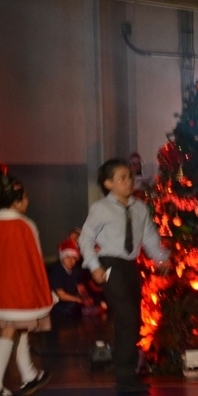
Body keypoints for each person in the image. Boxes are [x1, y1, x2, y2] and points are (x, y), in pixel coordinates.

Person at [78, 158, 170, 394]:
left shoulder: (139, 208)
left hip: (130, 266)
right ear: (108, 184)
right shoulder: (101, 209)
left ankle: (127, 370)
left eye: (129, 177)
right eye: (122, 178)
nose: (129, 181)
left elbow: (149, 238)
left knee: (134, 317)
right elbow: (85, 238)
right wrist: (94, 266)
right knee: (127, 313)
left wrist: (161, 258)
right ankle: (124, 374)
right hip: (110, 264)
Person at [0, 169, 54, 395]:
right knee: (11, 330)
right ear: (17, 200)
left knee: (20, 328)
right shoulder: (25, 225)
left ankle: (29, 374)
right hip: (18, 290)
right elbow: (34, 260)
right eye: (26, 196)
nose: (28, 200)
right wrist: (43, 291)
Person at [48, 239, 92, 319]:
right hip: (58, 303)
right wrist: (78, 299)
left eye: (74, 258)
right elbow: (61, 295)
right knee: (71, 308)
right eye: (67, 257)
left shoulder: (76, 270)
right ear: (62, 258)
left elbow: (81, 288)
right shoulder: (56, 271)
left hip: (73, 300)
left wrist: (85, 297)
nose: (71, 261)